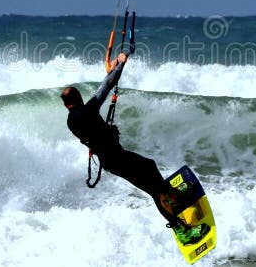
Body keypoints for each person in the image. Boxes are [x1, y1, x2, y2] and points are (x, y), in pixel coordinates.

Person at [61, 51, 209, 245]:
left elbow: (92, 136)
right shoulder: (87, 111)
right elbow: (105, 87)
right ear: (79, 98)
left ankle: (172, 196)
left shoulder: (71, 121)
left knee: (150, 170)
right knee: (153, 187)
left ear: (66, 105)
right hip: (116, 159)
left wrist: (107, 131)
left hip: (111, 159)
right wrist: (121, 63)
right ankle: (183, 228)